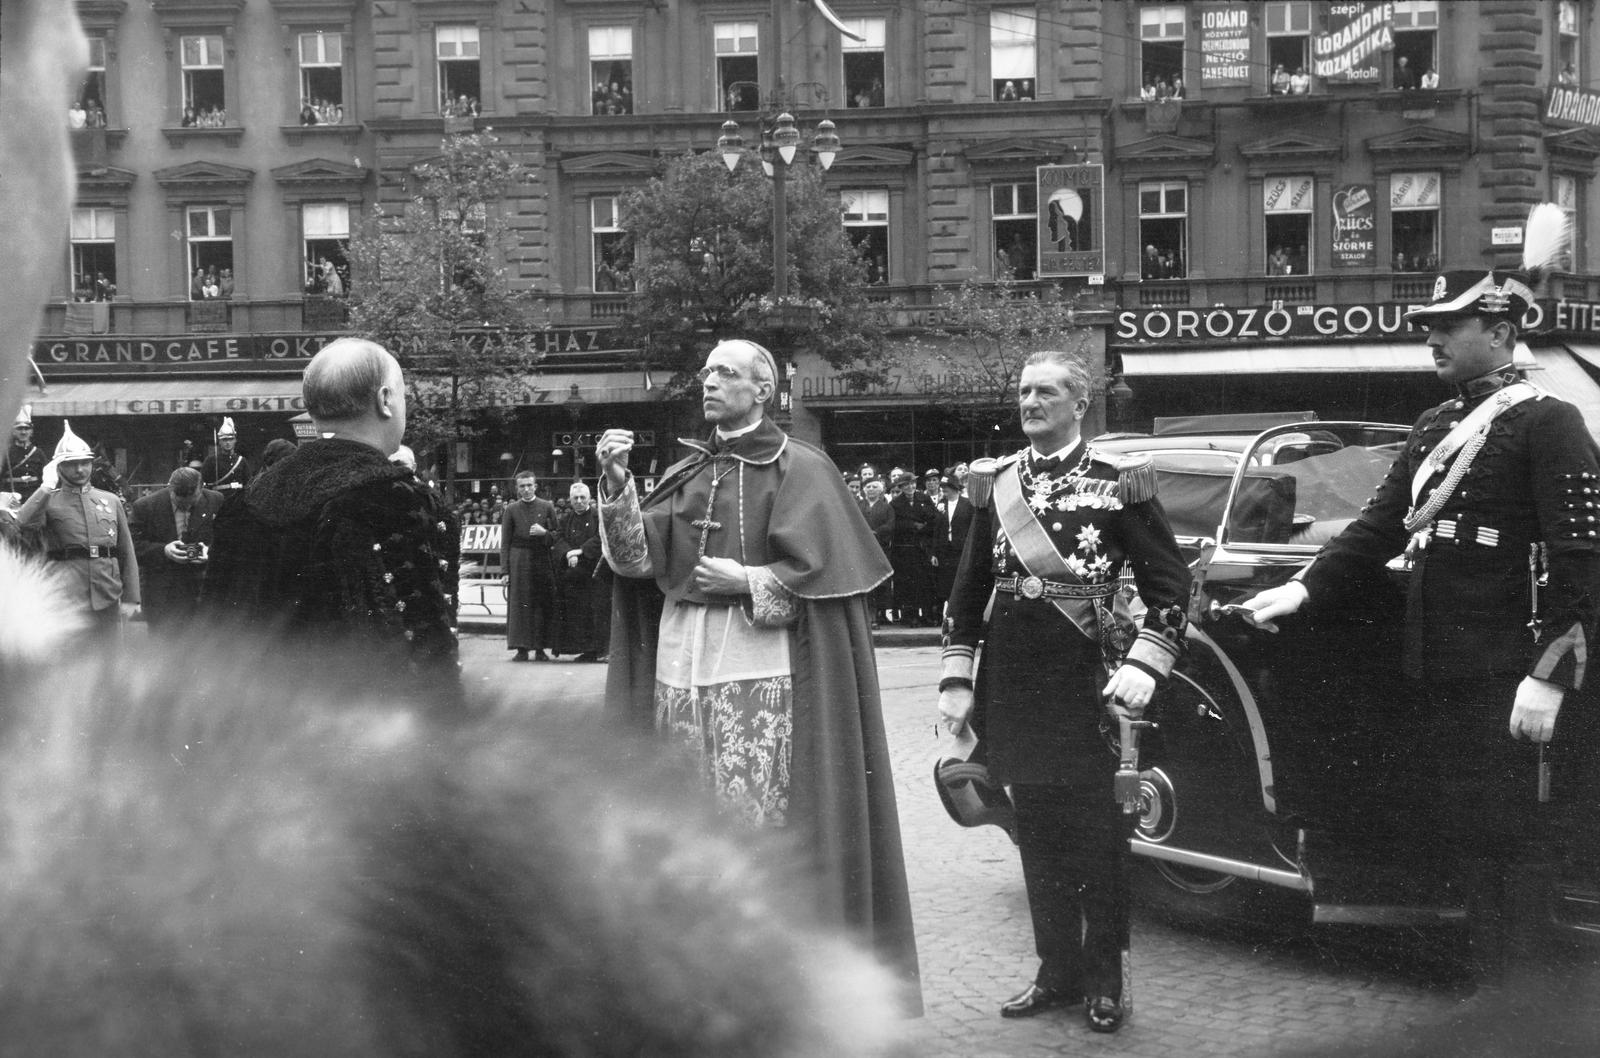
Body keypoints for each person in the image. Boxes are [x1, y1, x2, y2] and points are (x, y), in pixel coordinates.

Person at [1236, 260, 1600, 982]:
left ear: (1499, 332)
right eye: (1427, 327)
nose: (1430, 339)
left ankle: (1519, 994)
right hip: (1436, 665)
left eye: (1447, 326)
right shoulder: (1437, 424)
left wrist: (1548, 676)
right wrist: (1304, 589)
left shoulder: (1549, 421)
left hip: (1507, 671)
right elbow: (1376, 530)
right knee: (1465, 831)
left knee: (1514, 836)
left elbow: (1581, 556)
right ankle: (1490, 980)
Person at [595, 338, 921, 1010]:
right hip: (680, 663)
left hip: (761, 663)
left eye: (724, 373)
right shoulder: (686, 472)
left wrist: (749, 580)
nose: (708, 381)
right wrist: (618, 485)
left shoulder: (804, 468)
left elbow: (827, 582)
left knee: (757, 824)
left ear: (763, 389)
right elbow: (634, 563)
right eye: (706, 371)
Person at [938, 350, 1190, 1034]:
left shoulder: (1119, 481)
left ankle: (1105, 980)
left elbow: (1171, 586)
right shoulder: (997, 484)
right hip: (1016, 684)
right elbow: (967, 591)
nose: (1031, 402)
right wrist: (958, 676)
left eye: (1046, 391)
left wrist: (1148, 660)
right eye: (1023, 390)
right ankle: (1056, 974)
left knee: (1100, 842)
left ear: (1080, 403)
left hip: (1091, 688)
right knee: (1038, 838)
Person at [204, 338, 460, 707]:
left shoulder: (245, 502)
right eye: (404, 395)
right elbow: (424, 652)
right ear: (385, 400)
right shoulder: (397, 500)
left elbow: (217, 634)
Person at [13, 419, 141, 636]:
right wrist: (45, 487)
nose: (80, 469)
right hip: (65, 594)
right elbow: (20, 525)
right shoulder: (48, 501)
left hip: (106, 592)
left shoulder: (110, 500)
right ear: (59, 468)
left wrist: (132, 597)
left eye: (85, 463)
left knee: (108, 659)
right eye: (71, 464)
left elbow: (126, 551)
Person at [129, 466, 223, 630]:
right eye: (180, 504)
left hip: (204, 592)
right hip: (162, 595)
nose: (187, 508)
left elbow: (230, 537)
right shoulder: (145, 507)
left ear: (202, 489)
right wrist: (163, 550)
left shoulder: (216, 500)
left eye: (192, 503)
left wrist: (211, 552)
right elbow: (130, 546)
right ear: (170, 488)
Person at [501, 469, 558, 662]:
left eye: (529, 485)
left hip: (541, 558)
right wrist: (505, 571)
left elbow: (557, 535)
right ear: (517, 489)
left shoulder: (547, 506)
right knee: (520, 604)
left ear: (536, 486)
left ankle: (540, 648)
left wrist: (545, 533)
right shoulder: (511, 510)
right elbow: (505, 542)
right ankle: (521, 648)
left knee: (541, 604)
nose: (526, 489)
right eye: (522, 486)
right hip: (519, 561)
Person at [553, 480, 609, 662]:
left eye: (582, 497)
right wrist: (568, 553)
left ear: (589, 498)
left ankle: (597, 651)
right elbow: (559, 538)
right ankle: (584, 650)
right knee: (577, 614)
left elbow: (602, 537)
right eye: (575, 498)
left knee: (595, 613)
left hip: (594, 574)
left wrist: (581, 551)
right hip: (573, 575)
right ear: (570, 500)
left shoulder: (597, 517)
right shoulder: (565, 519)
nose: (579, 501)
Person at [889, 471, 939, 626]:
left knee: (924, 582)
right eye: (906, 485)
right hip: (905, 548)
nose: (910, 487)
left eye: (912, 484)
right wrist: (911, 525)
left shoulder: (924, 498)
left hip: (922, 547)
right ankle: (910, 615)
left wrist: (924, 527)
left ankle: (927, 614)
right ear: (901, 487)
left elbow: (934, 518)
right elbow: (894, 524)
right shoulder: (895, 503)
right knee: (907, 583)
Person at [932, 473, 971, 612]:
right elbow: (936, 529)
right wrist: (934, 553)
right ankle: (947, 611)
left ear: (955, 488)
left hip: (961, 549)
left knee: (960, 580)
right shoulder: (941, 504)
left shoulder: (967, 505)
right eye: (942, 487)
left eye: (946, 487)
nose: (943, 490)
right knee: (945, 581)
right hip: (944, 550)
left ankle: (959, 610)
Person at [859, 474, 895, 625]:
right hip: (862, 548)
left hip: (881, 547)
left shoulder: (886, 507)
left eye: (874, 487)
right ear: (863, 490)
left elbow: (890, 525)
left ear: (880, 490)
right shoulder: (858, 505)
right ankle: (866, 616)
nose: (871, 489)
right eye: (868, 487)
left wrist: (877, 532)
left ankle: (879, 615)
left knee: (881, 582)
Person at [2, 405, 46, 502]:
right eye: (19, 429)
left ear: (31, 432)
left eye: (26, 429)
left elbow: (46, 477)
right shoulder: (6, 453)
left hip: (34, 497)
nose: (23, 432)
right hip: (11, 497)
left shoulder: (38, 452)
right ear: (13, 432)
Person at [201, 416, 251, 493]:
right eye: (224, 440)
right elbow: (203, 482)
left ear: (235, 441)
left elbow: (248, 482)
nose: (228, 443)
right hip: (219, 499)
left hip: (239, 499)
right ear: (220, 442)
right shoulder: (211, 460)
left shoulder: (241, 460)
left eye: (230, 439)